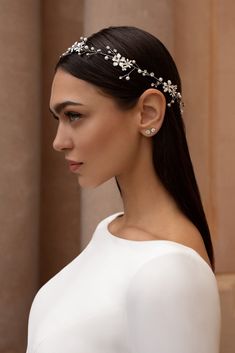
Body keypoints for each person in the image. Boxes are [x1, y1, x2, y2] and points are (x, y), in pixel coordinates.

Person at [26, 26, 221, 353]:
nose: (59, 142)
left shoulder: (171, 273)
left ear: (148, 112)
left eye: (74, 115)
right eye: (58, 119)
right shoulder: (112, 229)